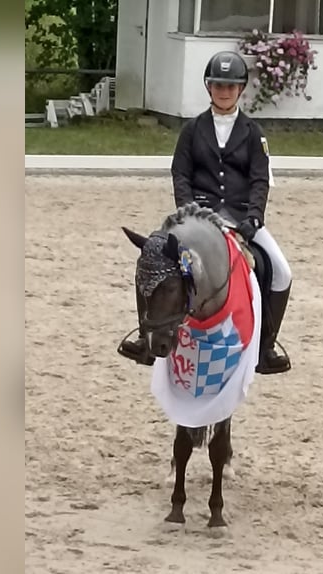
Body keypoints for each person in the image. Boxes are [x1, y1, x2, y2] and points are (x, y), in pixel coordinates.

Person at [119, 50, 292, 375]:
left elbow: (259, 179)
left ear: (240, 89)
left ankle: (266, 346)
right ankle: (145, 337)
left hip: (241, 217)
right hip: (198, 216)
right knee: (153, 257)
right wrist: (189, 211)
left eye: (230, 86)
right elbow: (180, 174)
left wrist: (253, 218)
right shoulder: (192, 129)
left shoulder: (254, 133)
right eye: (218, 85)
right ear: (209, 87)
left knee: (281, 272)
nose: (223, 91)